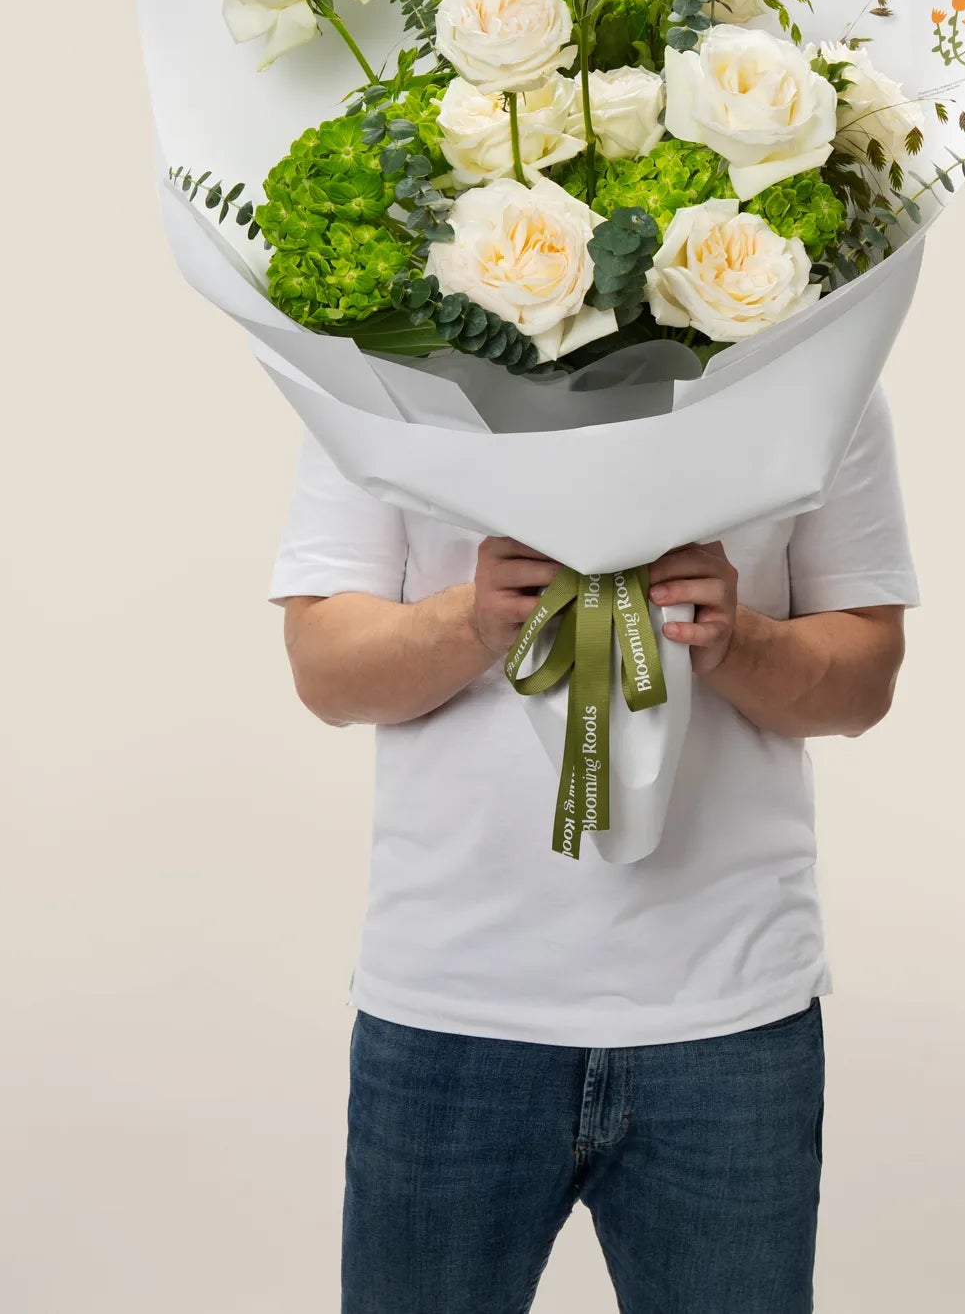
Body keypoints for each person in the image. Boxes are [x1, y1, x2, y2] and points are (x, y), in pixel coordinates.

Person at [270, 385, 919, 1314]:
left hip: (729, 1015)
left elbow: (865, 680)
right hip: (451, 1008)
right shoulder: (379, 372)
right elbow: (323, 668)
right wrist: (474, 618)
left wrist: (732, 640)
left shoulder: (813, 362)